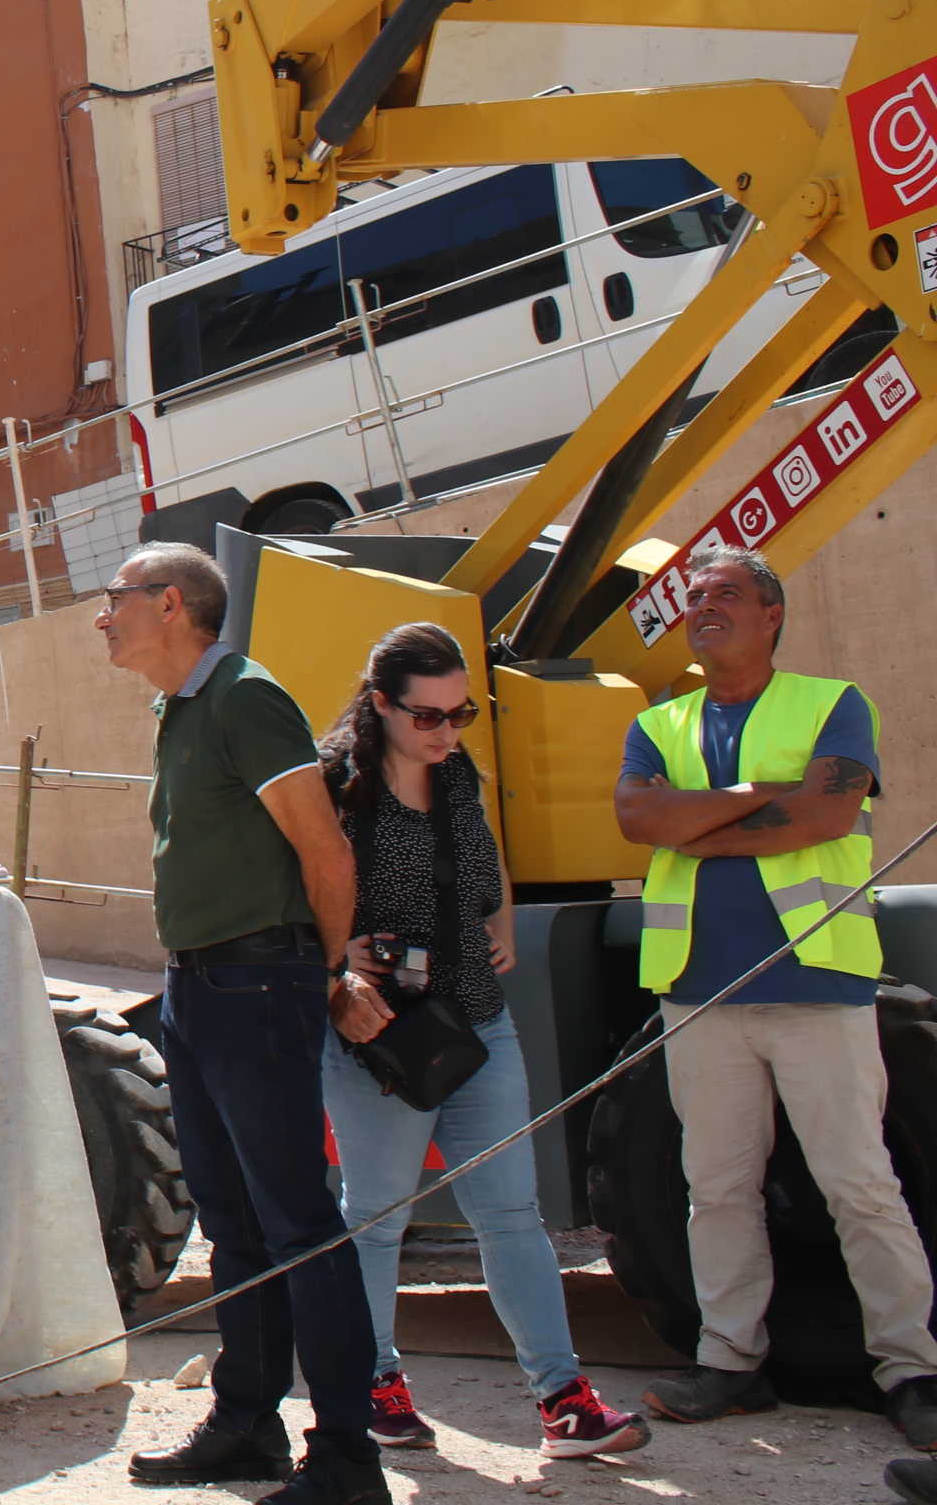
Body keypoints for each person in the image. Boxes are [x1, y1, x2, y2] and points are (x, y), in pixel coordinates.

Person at [612, 544, 937, 1445]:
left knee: (858, 1184)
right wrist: (759, 799)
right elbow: (640, 821)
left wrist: (699, 823)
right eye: (694, 594)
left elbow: (828, 813)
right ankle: (731, 1363)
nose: (703, 603)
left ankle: (913, 1372)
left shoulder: (833, 704)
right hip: (698, 992)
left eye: (726, 593)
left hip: (818, 982)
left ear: (771, 616)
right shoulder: (659, 723)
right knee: (714, 1188)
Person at [95, 542, 390, 1505]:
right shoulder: (179, 709)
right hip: (200, 992)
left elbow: (325, 847)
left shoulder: (246, 698)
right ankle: (246, 1425)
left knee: (300, 1221)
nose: (103, 617)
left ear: (171, 603)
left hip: (259, 986)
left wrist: (329, 973)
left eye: (116, 599)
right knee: (233, 1224)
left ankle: (347, 1456)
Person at [314, 622, 649, 1458]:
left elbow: (484, 862)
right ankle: (374, 1382)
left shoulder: (459, 773)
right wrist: (336, 962)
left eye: (461, 713)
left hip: (479, 1020)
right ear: (381, 704)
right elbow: (295, 890)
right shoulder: (334, 784)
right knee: (379, 1217)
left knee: (511, 1215)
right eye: (428, 717)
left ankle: (563, 1402)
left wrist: (496, 920)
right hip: (380, 1033)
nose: (448, 732)